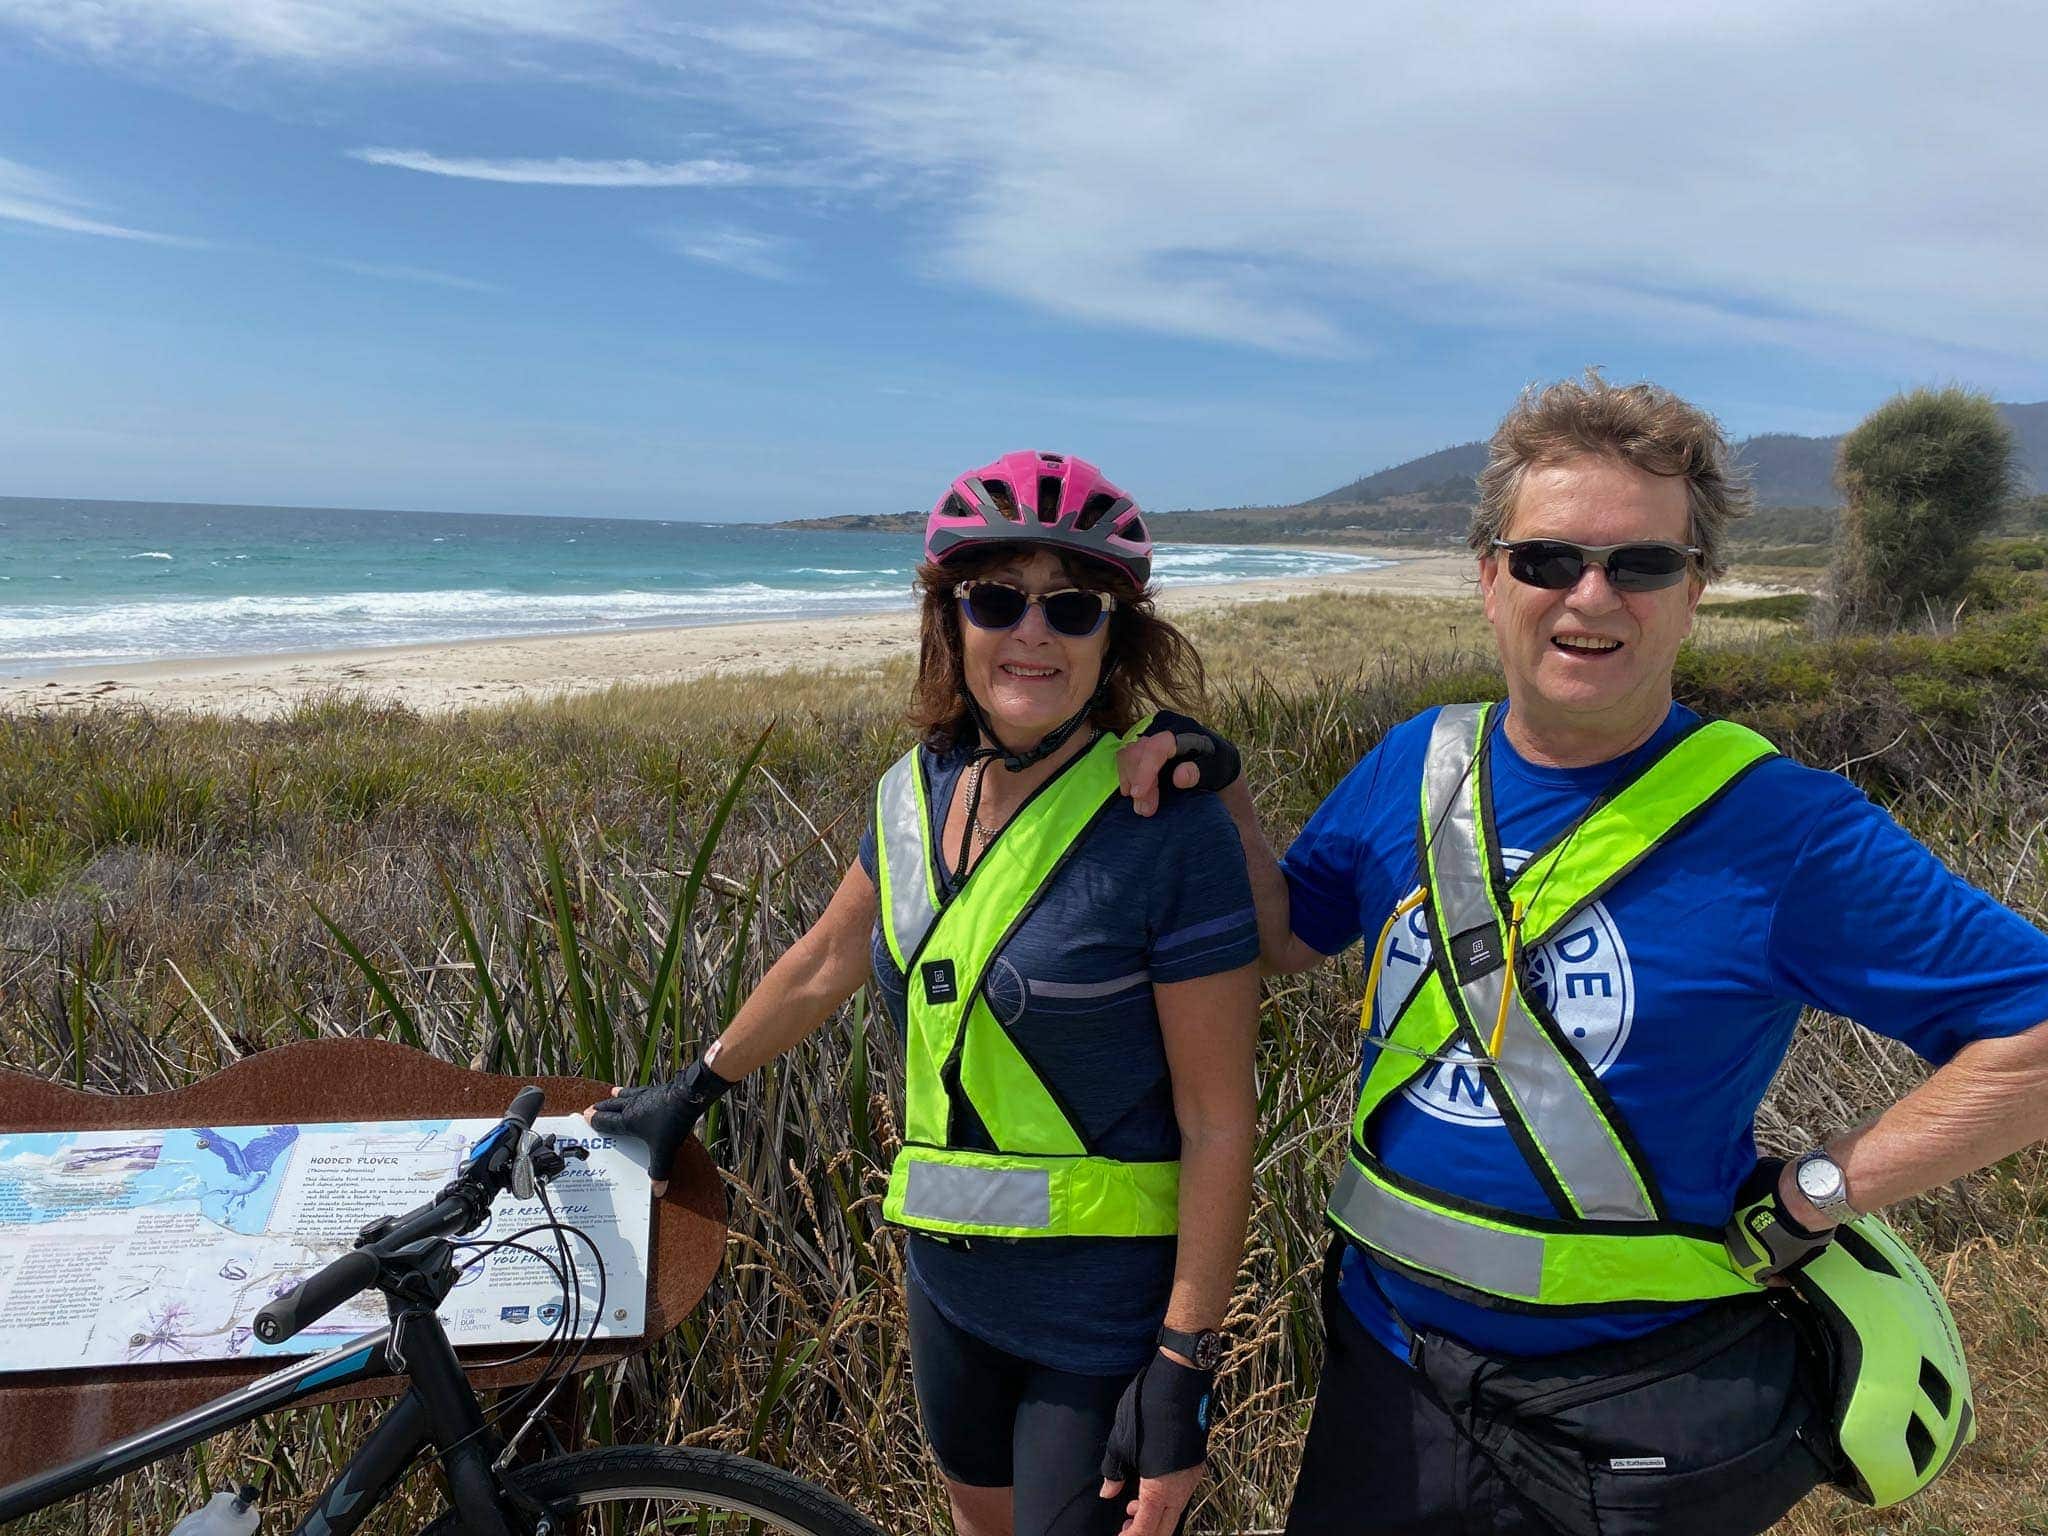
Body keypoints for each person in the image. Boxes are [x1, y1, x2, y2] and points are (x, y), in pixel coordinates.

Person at [1119, 375, 2048, 1534]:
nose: (1590, 595)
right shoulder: (1416, 761)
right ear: (1488, 577)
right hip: (1381, 1371)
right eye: (1548, 559)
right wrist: (1227, 794)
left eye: (1641, 565)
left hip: (1631, 1413)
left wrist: (1820, 1190)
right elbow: (1282, 938)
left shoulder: (1784, 831)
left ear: (1695, 589)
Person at [592, 451, 1261, 1536]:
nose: (1031, 633)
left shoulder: (1164, 825)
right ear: (949, 620)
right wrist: (693, 1087)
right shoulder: (914, 794)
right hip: (945, 1291)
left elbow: (1219, 1119)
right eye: (995, 599)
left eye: (1072, 607)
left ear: (1115, 634)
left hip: (1097, 1317)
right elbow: (820, 963)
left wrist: (1183, 1358)